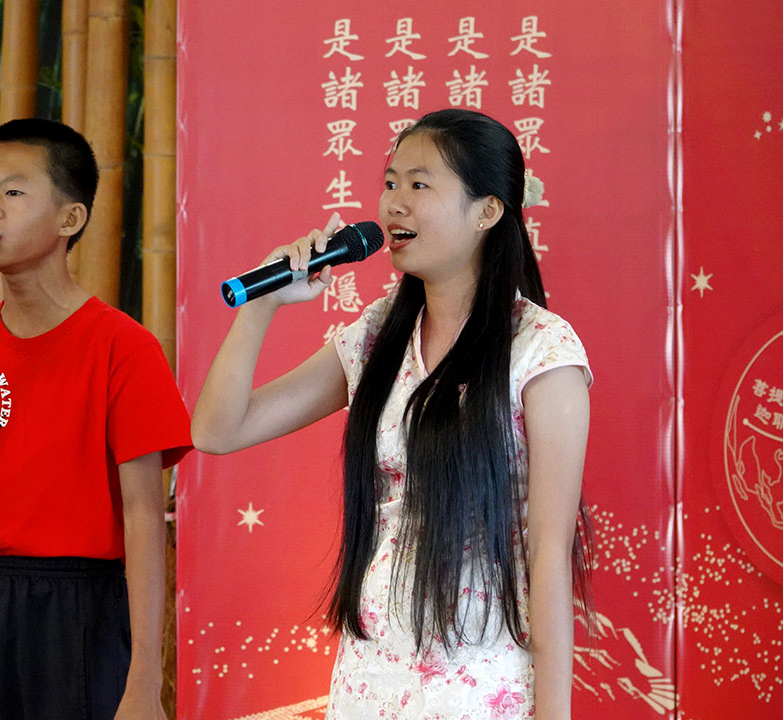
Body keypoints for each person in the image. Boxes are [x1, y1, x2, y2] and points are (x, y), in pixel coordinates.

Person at [191, 108, 592, 719]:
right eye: (390, 182)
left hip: (480, 682)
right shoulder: (378, 334)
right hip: (371, 673)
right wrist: (262, 305)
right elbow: (218, 430)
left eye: (419, 185)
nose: (393, 204)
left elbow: (549, 553)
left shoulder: (541, 349)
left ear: (487, 211)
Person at [0, 118, 191, 720]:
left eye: (13, 191)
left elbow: (143, 517)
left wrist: (144, 680)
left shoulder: (122, 347)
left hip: (78, 612)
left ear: (70, 218)